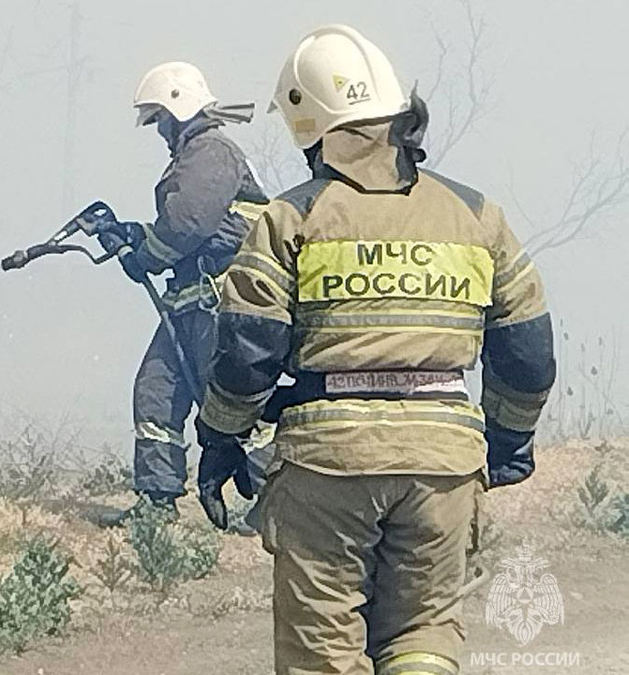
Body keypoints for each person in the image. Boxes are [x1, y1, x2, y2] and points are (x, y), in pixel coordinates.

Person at [193, 25, 556, 675]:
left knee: (322, 650)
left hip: (327, 466)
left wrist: (221, 437)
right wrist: (509, 441)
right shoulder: (477, 216)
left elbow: (248, 354)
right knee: (422, 632)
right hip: (442, 466)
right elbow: (527, 350)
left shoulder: (288, 219)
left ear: (308, 125)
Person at [99, 61, 267, 526]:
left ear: (179, 108)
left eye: (160, 119)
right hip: (190, 302)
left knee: (237, 399)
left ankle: (274, 504)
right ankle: (157, 501)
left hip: (225, 301)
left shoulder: (211, 150)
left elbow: (188, 224)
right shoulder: (195, 154)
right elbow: (180, 228)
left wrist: (145, 255)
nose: (159, 130)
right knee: (155, 392)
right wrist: (136, 236)